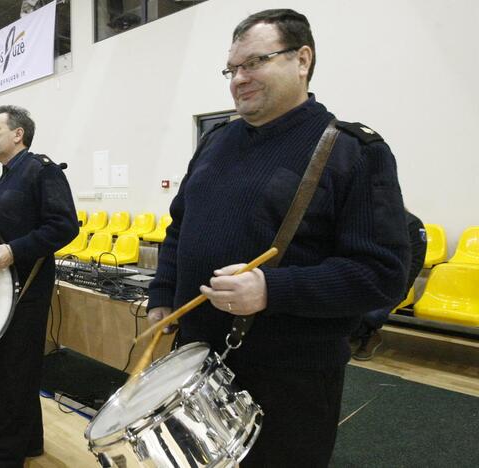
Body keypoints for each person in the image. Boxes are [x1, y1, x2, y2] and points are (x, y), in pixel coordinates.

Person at [146, 9, 410, 467]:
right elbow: (179, 228)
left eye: (254, 63)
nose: (238, 78)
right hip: (196, 364)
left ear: (302, 59)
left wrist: (272, 289)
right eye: (232, 68)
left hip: (290, 379)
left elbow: (382, 274)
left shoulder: (353, 151)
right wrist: (164, 290)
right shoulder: (215, 143)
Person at [0, 105, 78, 466]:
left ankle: (9, 453)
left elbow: (65, 226)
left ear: (18, 134)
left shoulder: (41, 170)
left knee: (14, 371)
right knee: (9, 369)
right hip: (6, 288)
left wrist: (14, 250)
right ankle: (29, 440)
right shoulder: (7, 177)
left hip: (28, 289)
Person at [351, 210, 426, 361]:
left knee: (372, 314)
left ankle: (366, 335)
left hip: (391, 285)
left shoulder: (413, 225)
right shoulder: (364, 219)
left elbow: (413, 266)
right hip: (362, 280)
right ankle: (357, 334)